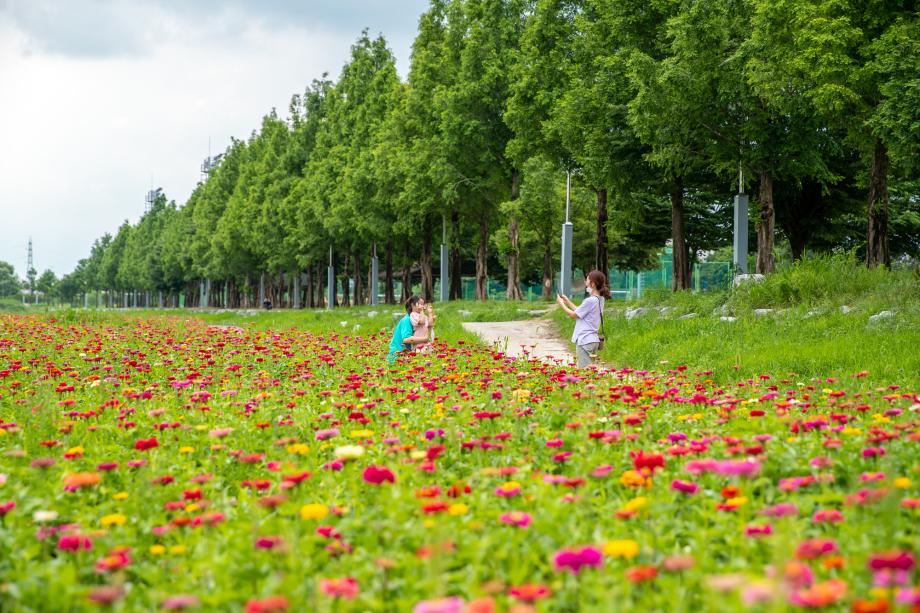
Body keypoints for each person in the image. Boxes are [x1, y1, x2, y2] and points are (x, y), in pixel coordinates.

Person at [556, 269, 611, 368]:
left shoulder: (589, 301)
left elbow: (574, 315)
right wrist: (567, 301)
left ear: (593, 284)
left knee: (585, 372)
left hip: (585, 340)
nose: (585, 283)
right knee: (590, 369)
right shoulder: (600, 299)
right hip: (593, 340)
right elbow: (580, 311)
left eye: (587, 280)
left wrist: (561, 305)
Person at [387, 296, 432, 363]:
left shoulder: (416, 318)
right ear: (413, 305)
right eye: (420, 304)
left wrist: (430, 313)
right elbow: (406, 339)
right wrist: (424, 339)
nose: (423, 306)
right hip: (398, 356)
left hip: (407, 355)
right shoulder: (407, 320)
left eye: (423, 304)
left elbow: (429, 325)